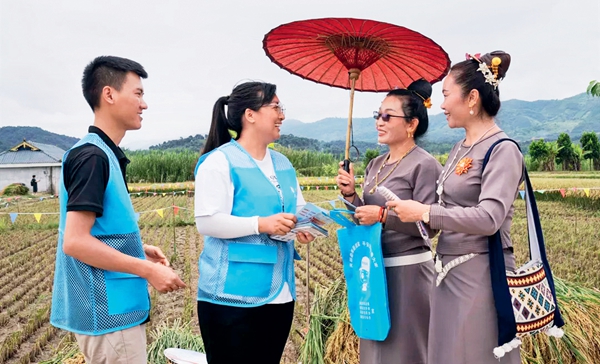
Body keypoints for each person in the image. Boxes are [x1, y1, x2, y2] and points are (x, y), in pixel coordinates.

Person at [386, 51, 522, 363]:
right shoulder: (458, 148)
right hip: (446, 274)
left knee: (473, 353)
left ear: (472, 98)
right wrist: (406, 212)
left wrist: (425, 212)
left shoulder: (502, 150)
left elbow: (489, 218)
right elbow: (444, 209)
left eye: (447, 95)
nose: (442, 104)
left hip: (481, 275)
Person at [50, 56, 185, 364]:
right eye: (137, 93)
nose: (144, 104)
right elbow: (75, 241)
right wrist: (148, 269)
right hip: (109, 317)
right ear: (109, 95)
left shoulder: (101, 154)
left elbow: (98, 231)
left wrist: (139, 249)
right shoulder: (92, 157)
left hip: (111, 310)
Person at [194, 81, 315, 364]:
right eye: (275, 107)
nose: (282, 115)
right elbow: (208, 222)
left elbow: (297, 208)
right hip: (231, 297)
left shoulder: (283, 163)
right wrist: (262, 224)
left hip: (280, 293)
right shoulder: (220, 161)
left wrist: (304, 225)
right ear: (250, 115)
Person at [336, 79, 442, 364]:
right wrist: (351, 194)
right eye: (377, 115)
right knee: (374, 349)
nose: (379, 122)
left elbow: (429, 227)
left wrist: (383, 216)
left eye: (387, 116)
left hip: (408, 273)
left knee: (406, 350)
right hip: (373, 269)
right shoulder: (375, 165)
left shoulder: (425, 165)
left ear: (411, 124)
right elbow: (364, 217)